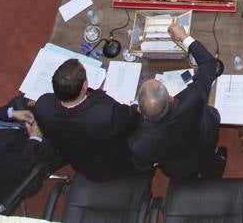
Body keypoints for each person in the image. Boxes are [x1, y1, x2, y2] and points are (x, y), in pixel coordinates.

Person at [129, 22, 225, 179]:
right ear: (171, 98)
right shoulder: (192, 98)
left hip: (178, 168)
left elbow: (143, 165)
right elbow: (209, 64)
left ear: (139, 109)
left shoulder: (139, 143)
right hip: (205, 143)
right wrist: (184, 38)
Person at [33, 59, 138, 181]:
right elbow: (132, 121)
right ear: (84, 86)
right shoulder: (105, 112)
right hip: (110, 166)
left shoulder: (42, 106)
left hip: (81, 163)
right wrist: (136, 105)